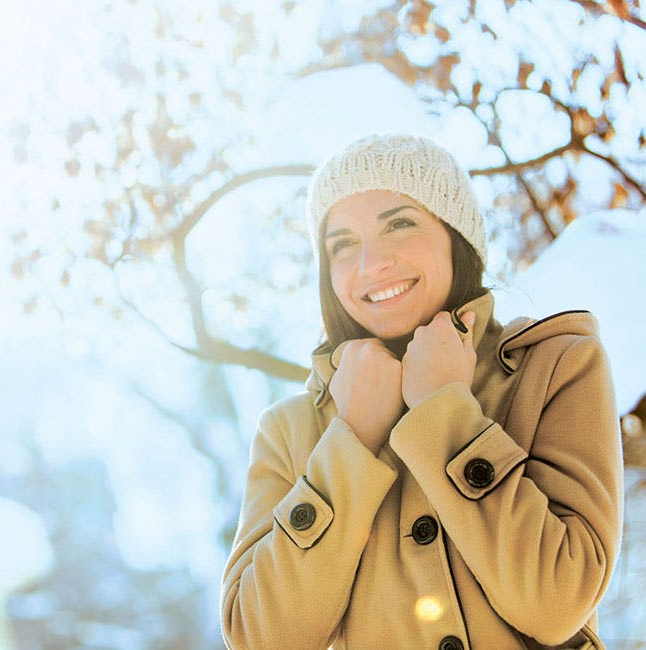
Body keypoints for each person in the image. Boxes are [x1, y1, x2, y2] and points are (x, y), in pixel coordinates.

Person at [220, 134, 624, 649]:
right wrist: (351, 441)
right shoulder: (290, 431)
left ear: (457, 236)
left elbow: (556, 601)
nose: (371, 263)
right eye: (343, 244)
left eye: (400, 223)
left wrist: (445, 413)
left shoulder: (556, 367)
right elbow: (261, 639)